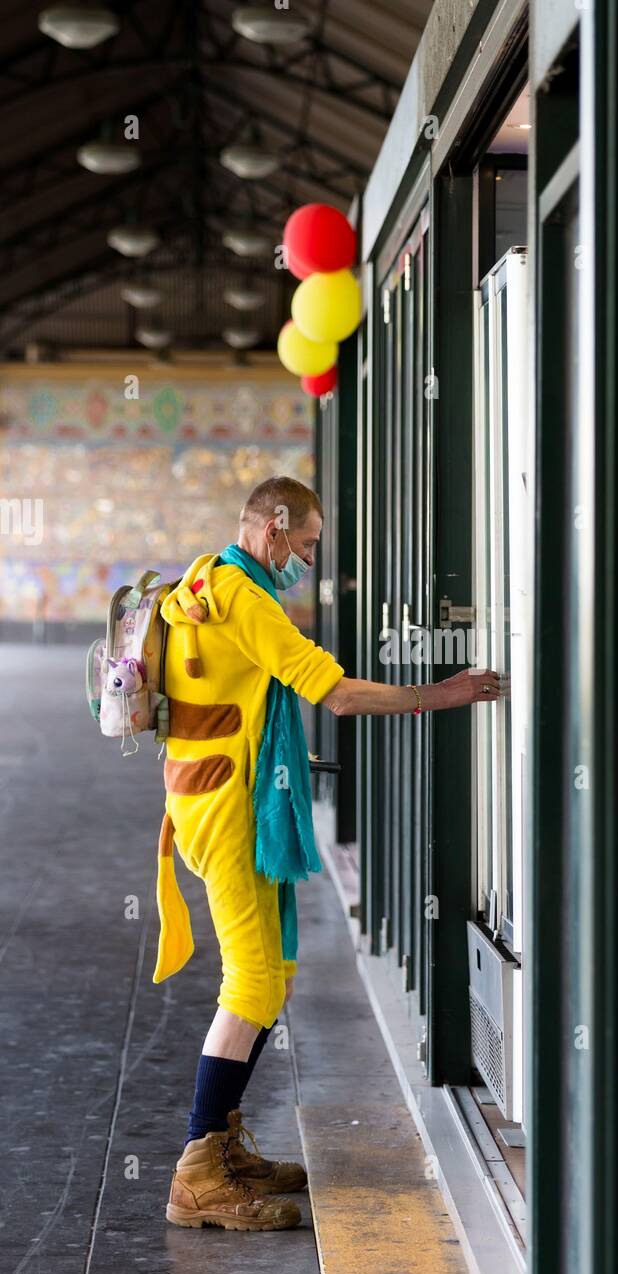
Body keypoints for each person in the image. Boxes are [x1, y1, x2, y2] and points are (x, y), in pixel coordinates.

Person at [155, 475, 503, 1231]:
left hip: (211, 797)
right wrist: (443, 694)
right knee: (250, 982)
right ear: (274, 526)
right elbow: (335, 694)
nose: (308, 560)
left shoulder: (205, 577)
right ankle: (196, 1175)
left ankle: (222, 1142)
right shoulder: (244, 600)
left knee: (273, 972)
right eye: (307, 544)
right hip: (229, 809)